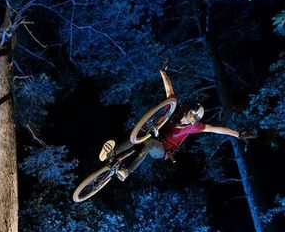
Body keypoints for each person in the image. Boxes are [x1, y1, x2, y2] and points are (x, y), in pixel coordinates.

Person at [98, 61, 253, 180]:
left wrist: (238, 134)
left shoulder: (194, 127)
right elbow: (169, 91)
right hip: (155, 134)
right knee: (140, 135)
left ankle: (126, 171)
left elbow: (216, 128)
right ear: (187, 111)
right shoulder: (173, 111)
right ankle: (112, 154)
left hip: (164, 150)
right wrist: (163, 72)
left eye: (192, 120)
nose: (188, 120)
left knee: (148, 143)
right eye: (189, 116)